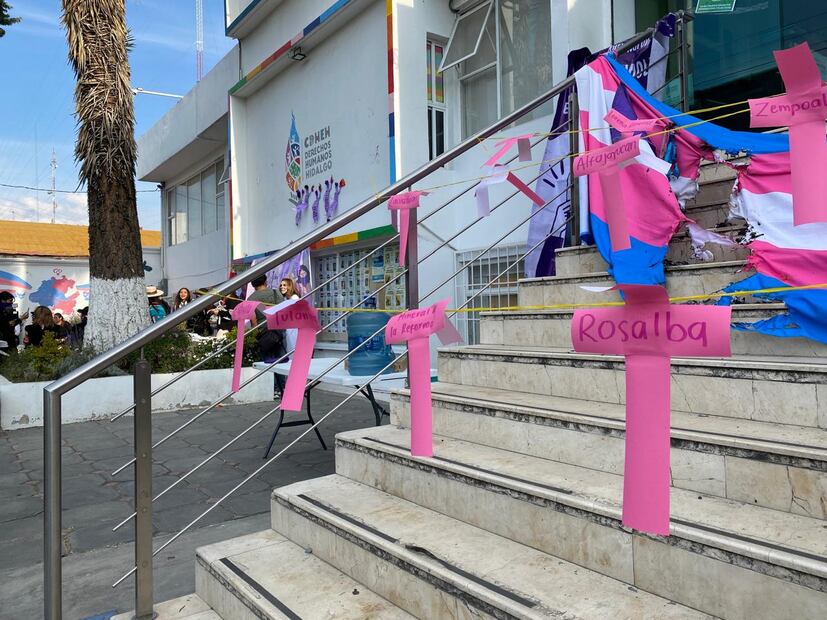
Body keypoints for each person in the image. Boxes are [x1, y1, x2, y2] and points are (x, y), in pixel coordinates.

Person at [248, 274, 286, 396]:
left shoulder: (250, 298)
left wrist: (255, 332)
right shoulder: (276, 293)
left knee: (267, 361)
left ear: (253, 284)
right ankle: (283, 388)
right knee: (282, 360)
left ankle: (273, 389)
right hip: (277, 330)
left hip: (262, 332)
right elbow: (282, 311)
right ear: (265, 281)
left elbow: (253, 319)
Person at [279, 277, 300, 358]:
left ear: (290, 286)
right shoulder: (285, 299)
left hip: (293, 329)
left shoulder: (294, 298)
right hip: (287, 328)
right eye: (281, 285)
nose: (282, 287)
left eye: (284, 285)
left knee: (293, 349)